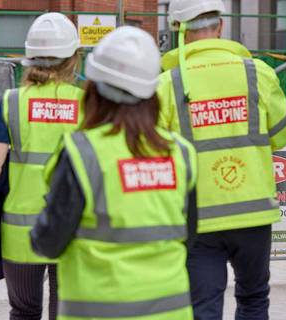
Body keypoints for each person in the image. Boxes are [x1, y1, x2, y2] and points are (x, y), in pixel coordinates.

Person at [30, 26, 197, 320]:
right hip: (171, 310)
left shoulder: (84, 152)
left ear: (95, 90)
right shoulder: (180, 152)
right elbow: (189, 236)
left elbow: (48, 242)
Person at [157, 1, 286, 319]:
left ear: (179, 30)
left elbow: (157, 152)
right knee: (254, 297)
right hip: (253, 212)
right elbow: (283, 133)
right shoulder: (257, 73)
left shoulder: (168, 84)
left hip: (198, 218)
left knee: (203, 306)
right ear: (220, 27)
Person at [0, 12, 84, 320]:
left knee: (24, 311)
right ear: (73, 58)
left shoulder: (12, 102)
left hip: (20, 230)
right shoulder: (87, 104)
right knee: (66, 312)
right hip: (73, 227)